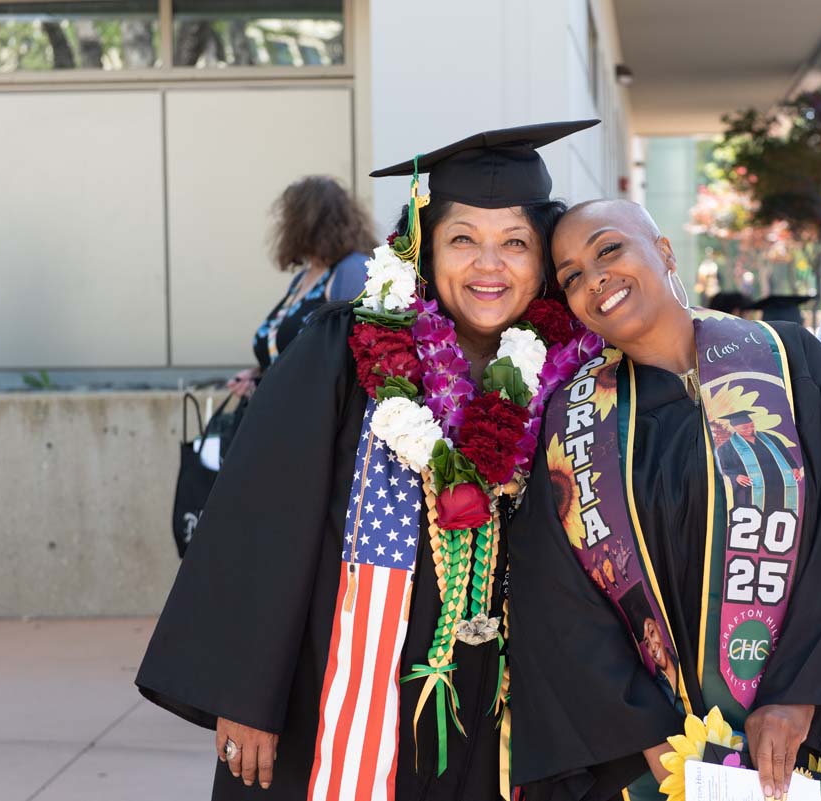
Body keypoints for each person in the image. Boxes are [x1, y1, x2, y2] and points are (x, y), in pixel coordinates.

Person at [136, 120, 601, 801]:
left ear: (543, 259)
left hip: (505, 702)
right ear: (424, 246)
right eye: (462, 238)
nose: (489, 265)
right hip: (339, 695)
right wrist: (245, 691)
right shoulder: (344, 352)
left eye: (515, 243)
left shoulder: (572, 377)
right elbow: (262, 519)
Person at [509, 199, 821, 801]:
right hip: (648, 760)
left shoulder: (791, 363)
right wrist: (643, 732)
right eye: (572, 277)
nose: (595, 280)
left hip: (798, 739)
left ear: (664, 251)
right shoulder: (574, 426)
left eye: (609, 250)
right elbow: (558, 600)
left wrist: (799, 696)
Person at [227, 176, 376, 398]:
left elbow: (355, 357)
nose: (282, 225)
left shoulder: (350, 270)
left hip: (312, 422)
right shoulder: (304, 278)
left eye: (288, 217)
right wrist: (258, 375)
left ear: (306, 222)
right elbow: (290, 351)